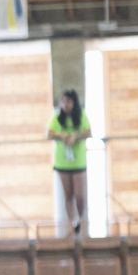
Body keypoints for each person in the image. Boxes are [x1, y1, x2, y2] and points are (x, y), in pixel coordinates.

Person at [49, 89, 92, 237]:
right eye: (63, 101)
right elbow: (50, 133)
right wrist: (62, 135)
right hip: (63, 162)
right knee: (69, 195)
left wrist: (75, 136)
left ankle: (80, 219)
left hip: (78, 162)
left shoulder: (81, 116)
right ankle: (73, 222)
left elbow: (88, 132)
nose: (65, 104)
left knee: (79, 195)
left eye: (68, 101)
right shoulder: (57, 117)